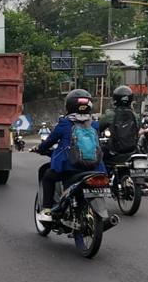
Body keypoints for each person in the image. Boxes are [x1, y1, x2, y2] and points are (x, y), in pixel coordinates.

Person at [35, 89, 105, 222]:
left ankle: (47, 211)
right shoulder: (95, 124)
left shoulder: (64, 123)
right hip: (95, 167)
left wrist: (39, 148)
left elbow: (49, 142)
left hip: (70, 167)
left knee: (48, 177)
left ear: (69, 106)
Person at [104, 85, 140, 161]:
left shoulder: (110, 114)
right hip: (132, 150)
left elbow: (97, 128)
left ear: (115, 99)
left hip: (115, 151)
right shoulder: (135, 115)